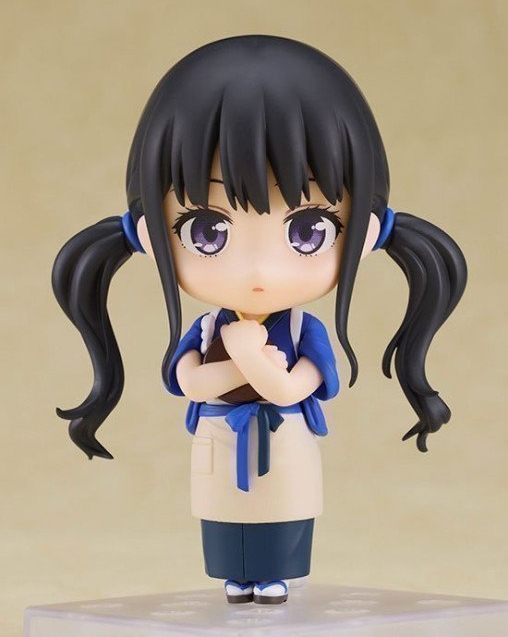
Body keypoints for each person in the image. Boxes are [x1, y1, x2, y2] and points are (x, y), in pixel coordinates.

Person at [52, 35, 467, 604]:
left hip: (285, 437)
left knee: (283, 514)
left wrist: (251, 357)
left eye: (308, 230)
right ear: (149, 235)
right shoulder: (205, 329)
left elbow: (296, 387)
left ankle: (273, 575)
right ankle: (234, 574)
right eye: (206, 230)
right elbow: (190, 381)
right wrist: (238, 363)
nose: (258, 270)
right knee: (223, 517)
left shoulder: (302, 332)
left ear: (367, 231)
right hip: (220, 438)